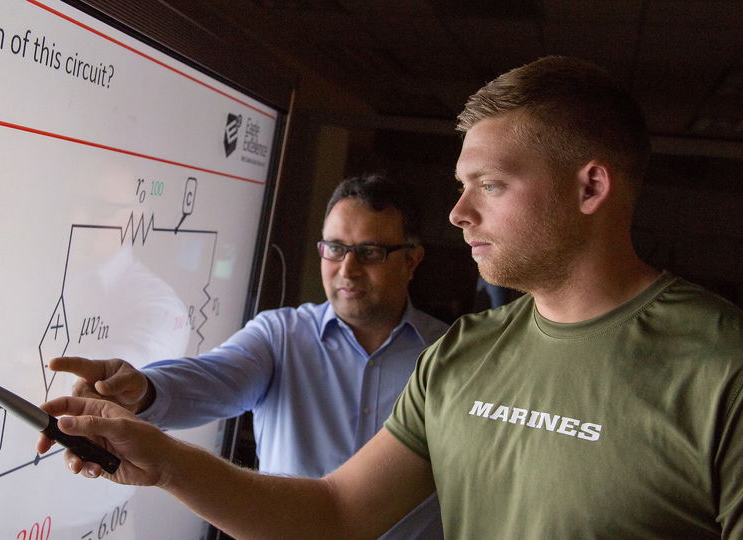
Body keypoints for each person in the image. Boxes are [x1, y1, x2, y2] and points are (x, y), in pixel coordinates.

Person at [38, 56, 743, 539]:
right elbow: (338, 514)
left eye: (490, 186)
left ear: (590, 187)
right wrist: (161, 459)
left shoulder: (724, 368)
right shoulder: (466, 355)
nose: (458, 214)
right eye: (461, 187)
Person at [48, 175, 449, 539]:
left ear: (411, 260)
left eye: (370, 252)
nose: (348, 269)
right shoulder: (282, 335)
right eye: (335, 249)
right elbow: (211, 378)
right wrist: (141, 390)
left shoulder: (451, 355)